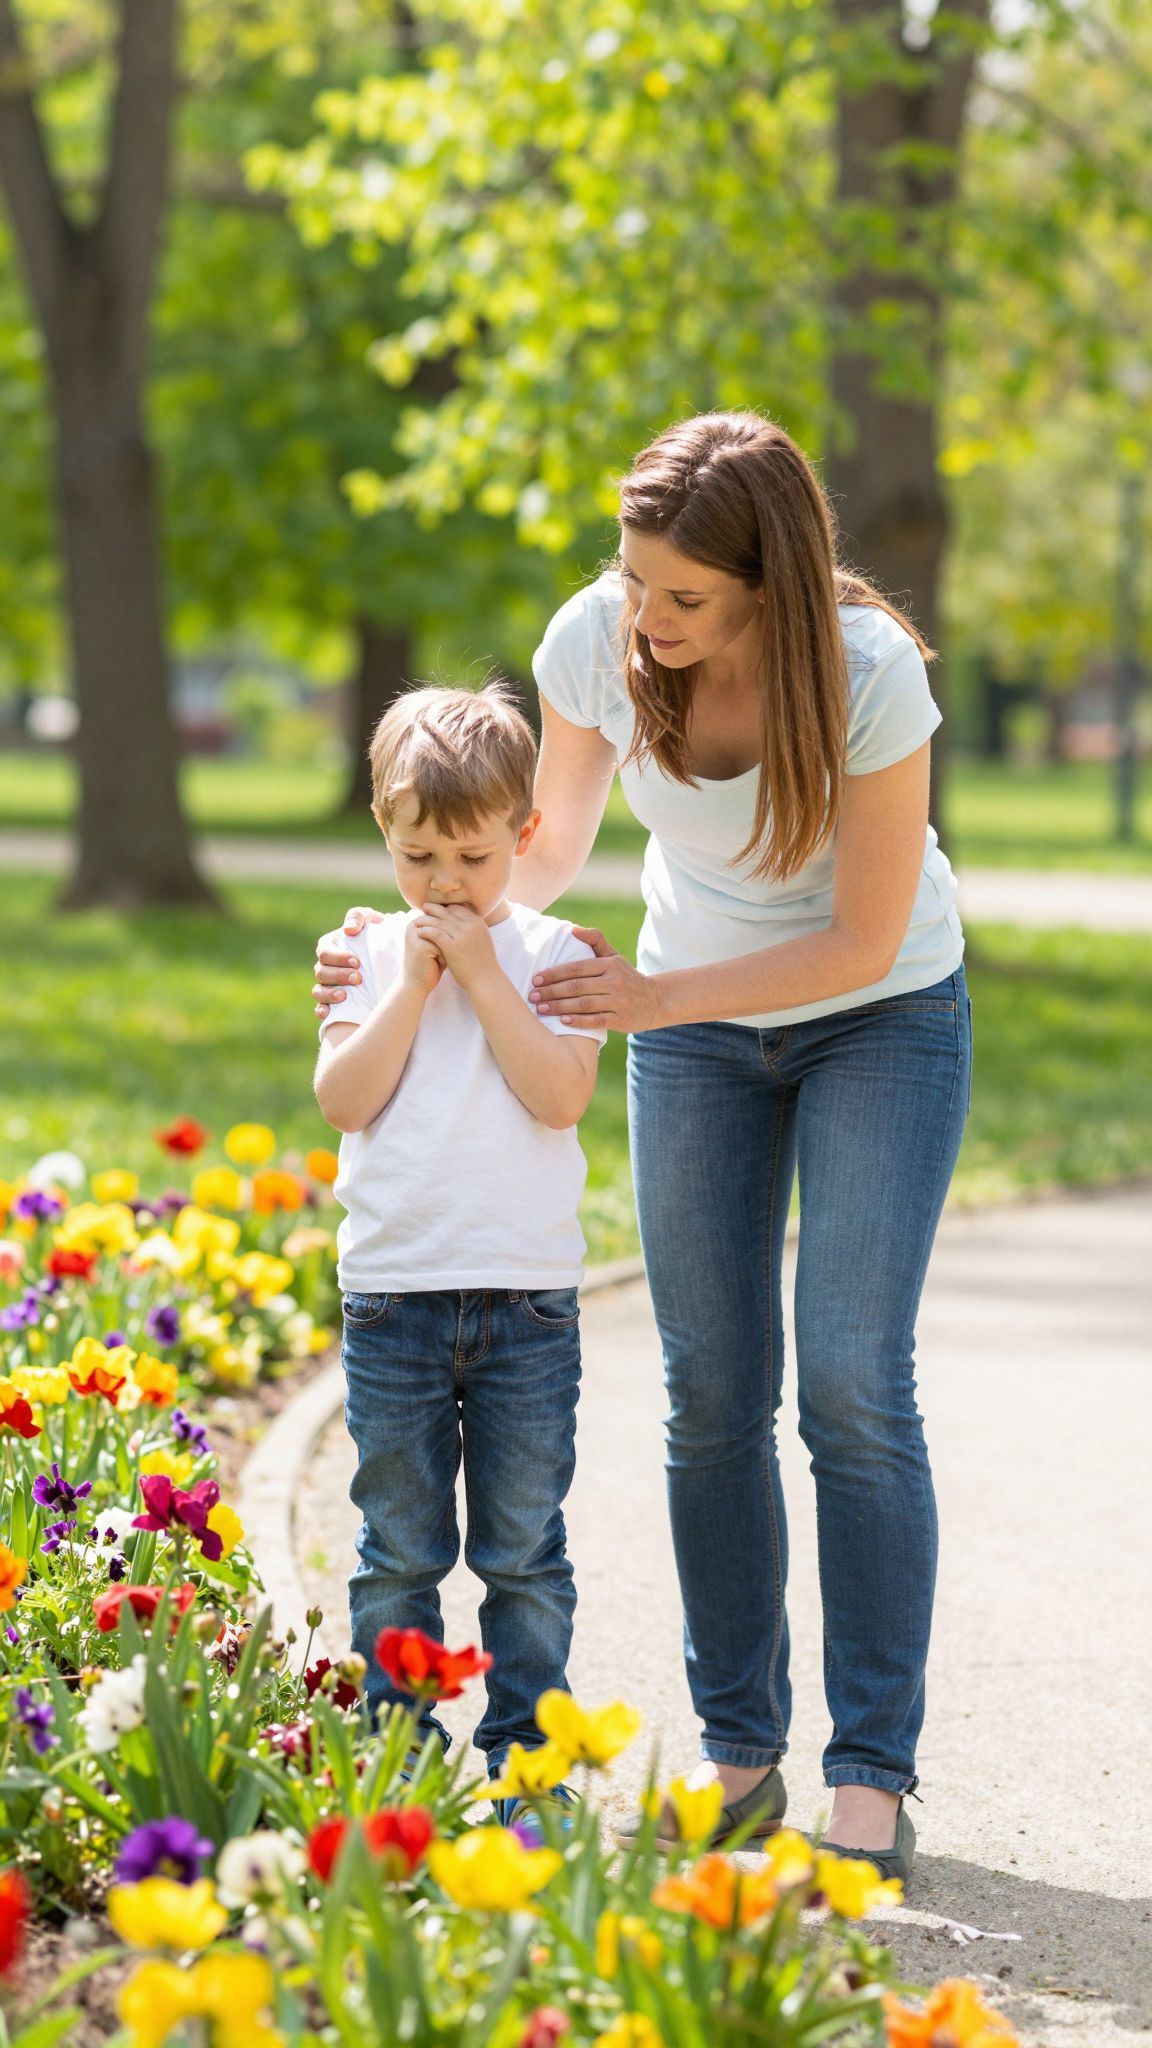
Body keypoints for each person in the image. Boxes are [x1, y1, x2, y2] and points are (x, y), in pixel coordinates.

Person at [314, 412, 972, 1882]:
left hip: (882, 1018)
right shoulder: (602, 636)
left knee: (855, 1384)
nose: (650, 619)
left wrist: (657, 997)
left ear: (771, 583)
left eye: (686, 598)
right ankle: (743, 1759)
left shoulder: (868, 677)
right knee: (712, 1389)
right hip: (690, 1029)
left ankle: (870, 1772)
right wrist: (413, 933)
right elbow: (538, 851)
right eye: (635, 581)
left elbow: (863, 936)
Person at [313, 681, 605, 1829]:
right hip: (394, 1298)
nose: (444, 884)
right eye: (418, 854)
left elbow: (559, 1094)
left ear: (524, 837)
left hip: (526, 1301)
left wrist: (483, 975)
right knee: (399, 1543)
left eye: (473, 858)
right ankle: (396, 1757)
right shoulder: (364, 953)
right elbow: (344, 1100)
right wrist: (415, 983)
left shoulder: (555, 952)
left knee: (525, 1545)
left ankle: (528, 1763)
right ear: (386, 839)